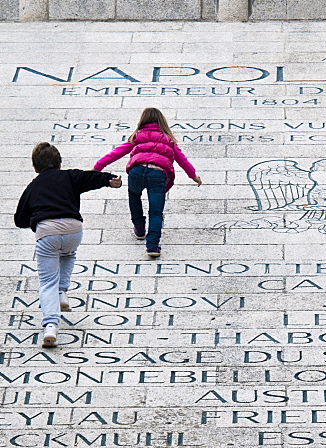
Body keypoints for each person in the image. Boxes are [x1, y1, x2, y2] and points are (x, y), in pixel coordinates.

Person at [14, 142, 122, 349]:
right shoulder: (69, 176)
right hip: (73, 229)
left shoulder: (33, 186)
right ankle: (62, 291)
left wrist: (37, 219)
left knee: (47, 283)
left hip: (47, 232)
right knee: (68, 253)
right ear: (59, 163)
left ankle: (50, 327)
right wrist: (110, 180)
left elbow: (20, 219)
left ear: (35, 167)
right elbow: (91, 177)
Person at [93, 107, 202, 259]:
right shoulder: (168, 139)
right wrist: (193, 175)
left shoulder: (137, 136)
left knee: (134, 195)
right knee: (156, 212)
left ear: (143, 120)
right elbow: (181, 159)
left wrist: (97, 167)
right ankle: (152, 246)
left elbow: (116, 152)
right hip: (158, 173)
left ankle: (139, 227)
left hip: (137, 171)